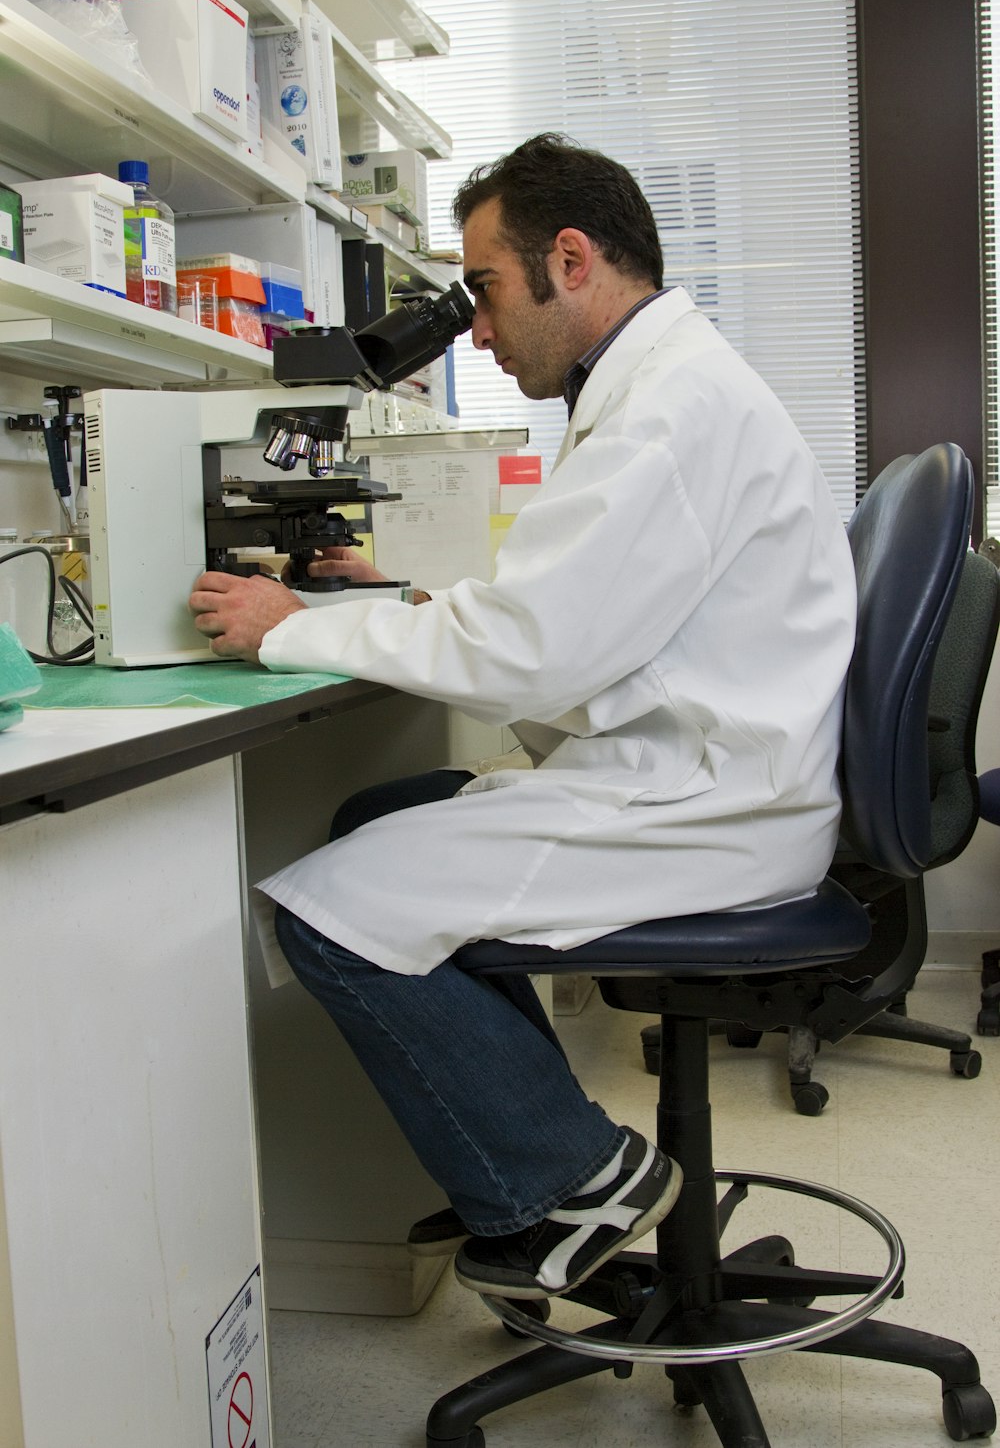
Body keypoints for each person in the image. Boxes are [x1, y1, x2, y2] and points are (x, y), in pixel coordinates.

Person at [188, 133, 857, 1301]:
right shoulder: (658, 386)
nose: (479, 331)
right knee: (379, 812)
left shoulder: (665, 412)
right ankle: (540, 1149)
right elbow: (575, 616)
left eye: (485, 291)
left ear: (572, 257)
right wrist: (401, 601)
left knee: (328, 909)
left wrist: (287, 624)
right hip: (703, 767)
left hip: (710, 801)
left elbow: (530, 654)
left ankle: (571, 1174)